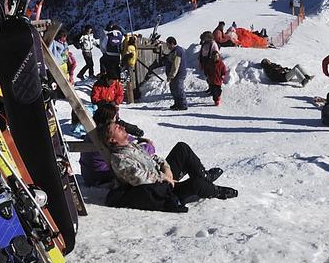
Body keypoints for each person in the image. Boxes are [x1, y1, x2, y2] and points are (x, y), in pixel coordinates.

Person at [101, 120, 237, 212]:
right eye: (117, 128)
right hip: (160, 190)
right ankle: (215, 190)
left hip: (164, 177)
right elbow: (139, 178)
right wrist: (164, 178)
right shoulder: (119, 159)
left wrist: (167, 168)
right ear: (112, 140)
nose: (123, 127)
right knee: (197, 183)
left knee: (181, 148)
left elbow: (153, 158)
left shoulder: (132, 146)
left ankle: (204, 176)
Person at [80, 101, 153, 187]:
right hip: (102, 176)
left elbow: (128, 140)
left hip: (89, 175)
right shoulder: (106, 134)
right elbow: (132, 150)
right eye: (116, 118)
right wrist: (149, 146)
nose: (118, 122)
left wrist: (137, 139)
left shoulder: (94, 131)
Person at [163, 36, 187, 110]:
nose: (167, 47)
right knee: (173, 89)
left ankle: (183, 105)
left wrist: (171, 75)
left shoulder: (178, 51)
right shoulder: (173, 51)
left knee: (178, 89)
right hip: (174, 75)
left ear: (172, 43)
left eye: (168, 45)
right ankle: (177, 103)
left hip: (178, 74)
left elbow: (176, 65)